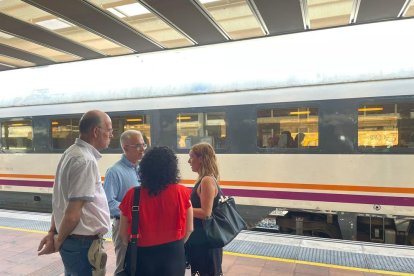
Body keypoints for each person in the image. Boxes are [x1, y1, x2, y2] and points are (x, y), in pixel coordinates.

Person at [37, 110, 112, 276]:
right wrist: (57, 240)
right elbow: (72, 214)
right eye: (109, 130)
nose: (111, 135)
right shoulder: (85, 161)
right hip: (82, 244)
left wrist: (53, 232)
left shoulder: (70, 152)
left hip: (75, 242)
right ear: (95, 131)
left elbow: (59, 200)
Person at [119, 146, 193, 276]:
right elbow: (189, 229)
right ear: (172, 169)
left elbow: (123, 235)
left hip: (142, 256)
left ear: (145, 169)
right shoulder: (182, 193)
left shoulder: (132, 195)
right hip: (174, 255)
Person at [104, 130, 146, 275]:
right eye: (138, 146)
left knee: (139, 265)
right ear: (125, 147)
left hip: (141, 226)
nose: (142, 149)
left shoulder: (142, 169)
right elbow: (108, 203)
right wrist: (134, 211)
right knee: (124, 265)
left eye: (143, 145)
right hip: (124, 225)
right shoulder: (114, 172)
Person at [186, 142, 223, 276]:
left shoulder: (206, 180)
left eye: (191, 157)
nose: (189, 161)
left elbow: (206, 213)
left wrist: (183, 209)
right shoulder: (205, 179)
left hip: (206, 241)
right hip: (202, 239)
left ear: (201, 159)